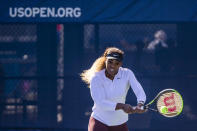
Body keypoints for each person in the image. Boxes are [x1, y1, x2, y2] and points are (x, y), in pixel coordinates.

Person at [80, 47, 146, 131]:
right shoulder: (96, 78)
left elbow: (139, 90)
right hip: (100, 121)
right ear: (105, 60)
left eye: (116, 63)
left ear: (121, 64)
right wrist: (122, 106)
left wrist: (140, 103)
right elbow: (100, 102)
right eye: (110, 62)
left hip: (120, 123)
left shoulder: (127, 74)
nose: (112, 66)